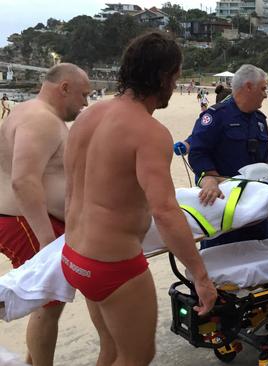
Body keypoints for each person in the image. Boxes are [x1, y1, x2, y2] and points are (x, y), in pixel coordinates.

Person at [61, 31, 217, 366]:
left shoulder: (88, 116)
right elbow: (164, 211)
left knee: (112, 351)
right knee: (137, 356)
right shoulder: (149, 132)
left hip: (73, 256)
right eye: (175, 77)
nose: (175, 87)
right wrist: (200, 277)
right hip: (112, 266)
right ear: (163, 77)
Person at [0, 63, 90, 366]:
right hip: (24, 221)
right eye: (83, 94)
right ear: (64, 88)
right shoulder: (40, 119)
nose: (86, 103)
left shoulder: (33, 113)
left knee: (47, 301)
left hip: (30, 218)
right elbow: (23, 181)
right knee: (47, 302)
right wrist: (46, 240)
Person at [188, 64, 268, 249]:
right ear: (248, 87)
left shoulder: (260, 120)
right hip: (224, 213)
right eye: (263, 89)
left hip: (256, 212)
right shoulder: (215, 116)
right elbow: (197, 153)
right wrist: (210, 178)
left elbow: (267, 161)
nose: (266, 94)